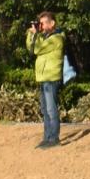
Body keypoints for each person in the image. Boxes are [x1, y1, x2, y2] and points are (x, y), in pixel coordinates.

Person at [26, 11, 65, 148]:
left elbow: (37, 49)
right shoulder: (44, 37)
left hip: (51, 78)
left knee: (51, 109)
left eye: (42, 23)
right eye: (39, 23)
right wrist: (32, 34)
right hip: (43, 78)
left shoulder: (56, 39)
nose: (40, 26)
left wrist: (35, 34)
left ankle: (54, 139)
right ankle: (47, 137)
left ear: (52, 23)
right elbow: (31, 48)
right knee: (45, 109)